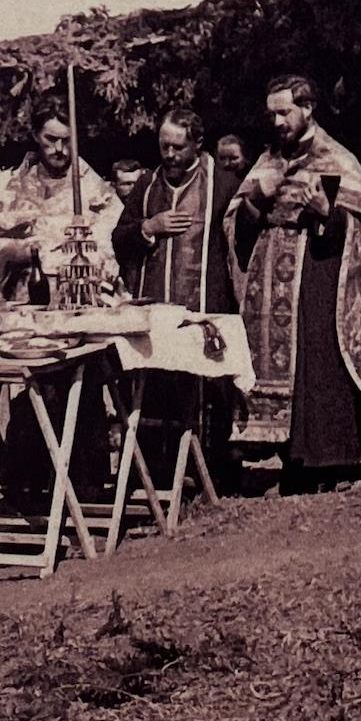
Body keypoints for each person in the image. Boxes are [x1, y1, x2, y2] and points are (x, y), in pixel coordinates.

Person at [231, 75, 361, 474]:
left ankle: (325, 456)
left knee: (316, 359)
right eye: (272, 115)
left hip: (317, 272)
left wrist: (327, 212)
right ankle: (276, 449)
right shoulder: (267, 161)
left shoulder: (338, 160)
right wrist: (257, 197)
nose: (277, 122)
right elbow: (237, 221)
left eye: (284, 113)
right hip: (268, 277)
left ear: (308, 108)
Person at [109, 109, 242, 486]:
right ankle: (154, 474)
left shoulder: (224, 185)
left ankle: (209, 473)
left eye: (178, 147)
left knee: (206, 391)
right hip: (154, 313)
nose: (169, 154)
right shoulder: (147, 185)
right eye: (164, 146)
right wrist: (148, 227)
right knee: (154, 391)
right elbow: (119, 238)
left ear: (197, 143)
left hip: (207, 307)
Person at [0, 101, 120, 300]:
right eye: (51, 139)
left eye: (67, 141)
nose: (59, 149)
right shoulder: (16, 189)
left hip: (80, 299)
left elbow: (114, 247)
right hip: (26, 300)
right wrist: (19, 250)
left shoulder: (97, 192)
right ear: (35, 135)